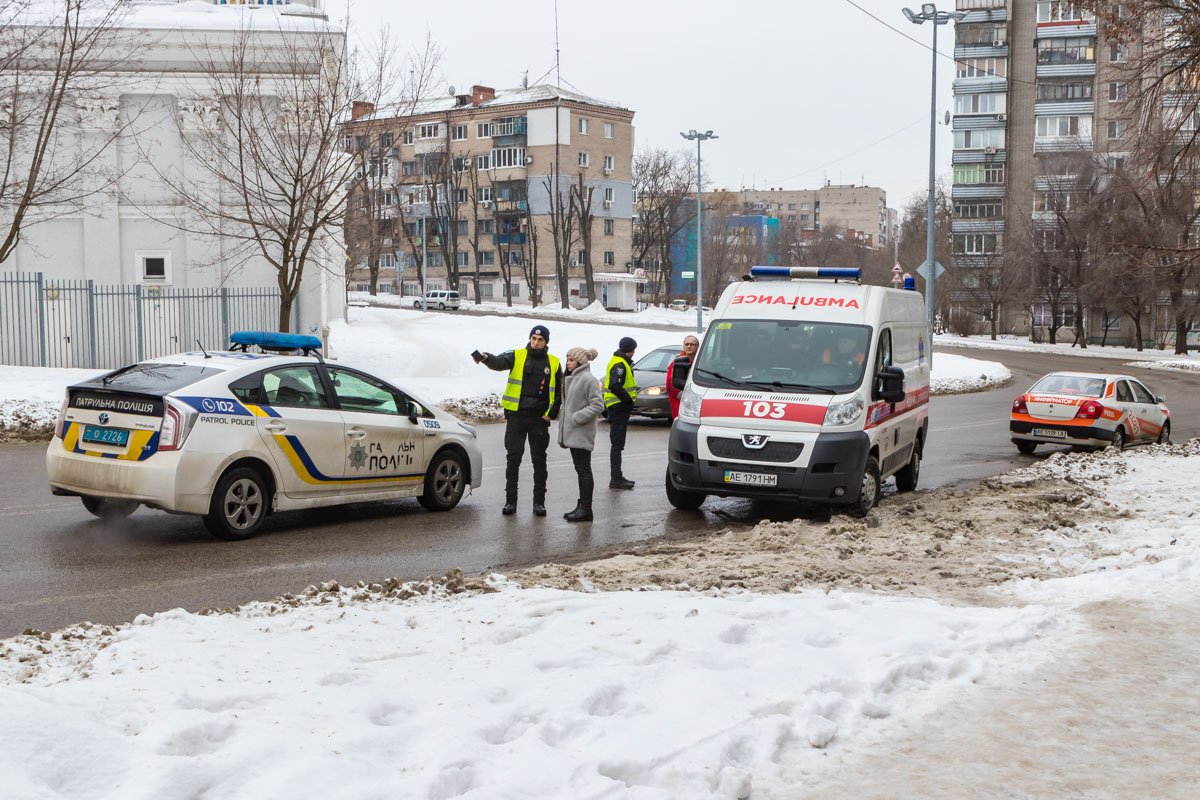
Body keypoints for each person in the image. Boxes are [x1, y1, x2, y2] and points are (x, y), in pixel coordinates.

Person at [475, 324, 562, 516]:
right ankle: (510, 502)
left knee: (539, 461)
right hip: (517, 416)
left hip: (539, 419)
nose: (536, 342)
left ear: (546, 341)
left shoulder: (554, 362)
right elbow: (499, 362)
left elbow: (558, 393)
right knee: (513, 460)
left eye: (540, 340)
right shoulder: (517, 355)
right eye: (533, 338)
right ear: (530, 339)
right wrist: (486, 358)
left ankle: (539, 503)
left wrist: (551, 414)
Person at [558, 346, 604, 522]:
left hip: (581, 431)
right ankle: (582, 505)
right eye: (567, 359)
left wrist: (576, 417)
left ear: (580, 362)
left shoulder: (588, 379)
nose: (568, 363)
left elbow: (598, 405)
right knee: (581, 469)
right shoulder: (572, 378)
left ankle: (586, 509)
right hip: (574, 431)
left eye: (571, 360)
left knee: (584, 470)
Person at [602, 336, 639, 490]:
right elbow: (615, 385)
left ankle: (617, 476)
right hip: (618, 407)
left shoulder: (619, 361)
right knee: (617, 445)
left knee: (617, 444)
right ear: (631, 350)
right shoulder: (620, 363)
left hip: (617, 406)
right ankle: (616, 479)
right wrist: (628, 400)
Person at [665, 335, 699, 419]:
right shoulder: (677, 363)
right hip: (681, 406)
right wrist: (686, 397)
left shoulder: (701, 362)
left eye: (692, 344)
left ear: (698, 346)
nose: (689, 346)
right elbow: (670, 384)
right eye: (687, 344)